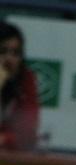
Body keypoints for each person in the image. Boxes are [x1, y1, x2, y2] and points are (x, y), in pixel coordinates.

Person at [0, 22, 39, 152]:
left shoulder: (26, 79)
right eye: (3, 51)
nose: (9, 59)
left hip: (11, 156)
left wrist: (5, 139)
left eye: (16, 53)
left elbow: (28, 133)